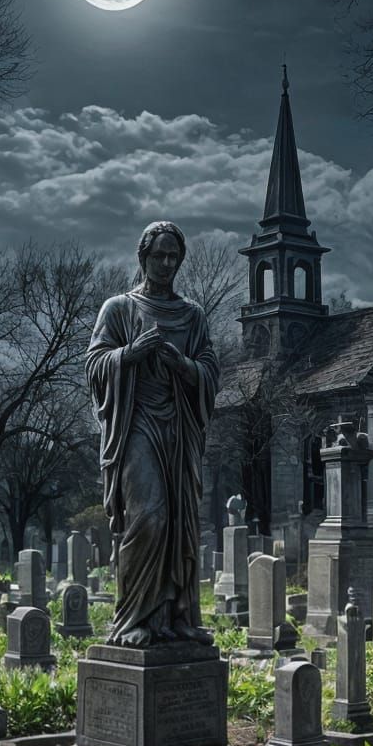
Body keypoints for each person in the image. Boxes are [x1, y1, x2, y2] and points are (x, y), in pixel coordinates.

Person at [86, 221, 220, 647]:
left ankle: (175, 616)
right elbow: (94, 364)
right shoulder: (119, 309)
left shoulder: (192, 314)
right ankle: (133, 619)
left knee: (180, 523)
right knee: (149, 518)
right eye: (158, 255)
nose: (165, 263)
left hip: (178, 431)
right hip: (137, 424)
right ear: (143, 256)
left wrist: (184, 365)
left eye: (173, 256)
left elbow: (210, 369)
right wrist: (130, 354)